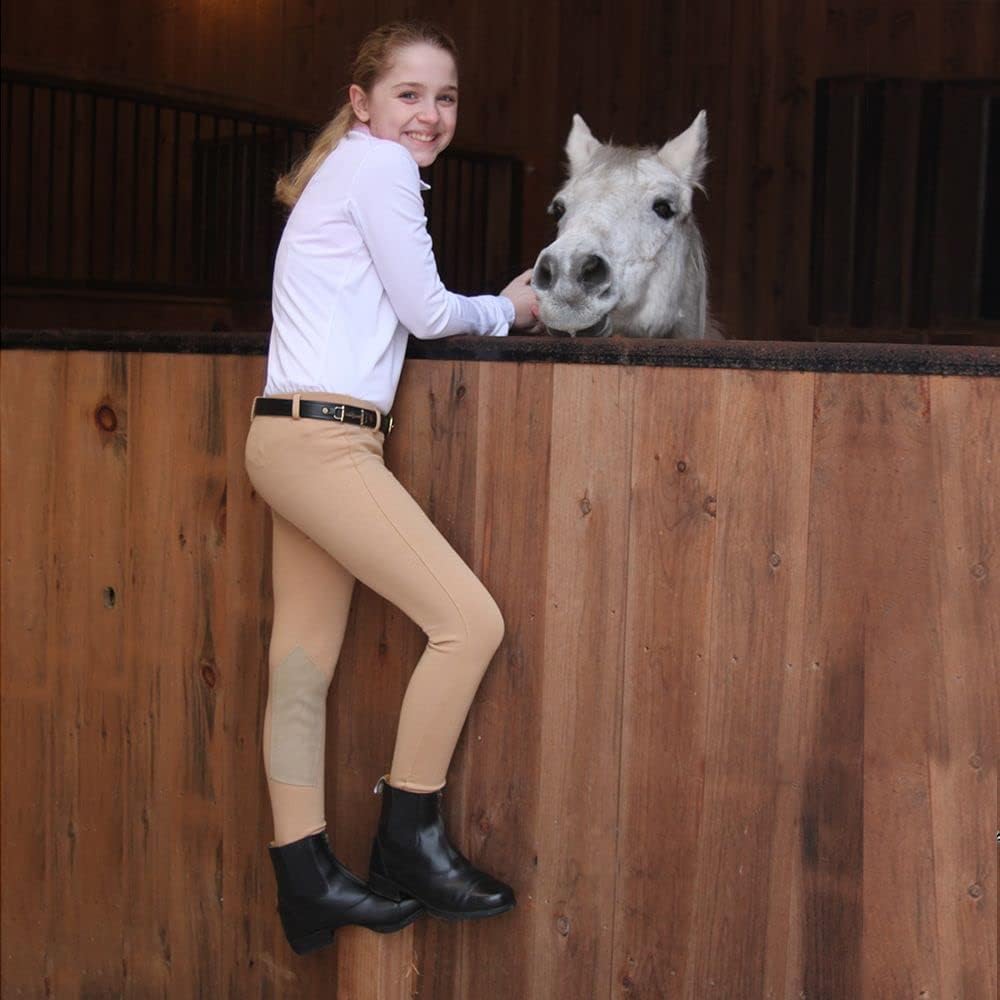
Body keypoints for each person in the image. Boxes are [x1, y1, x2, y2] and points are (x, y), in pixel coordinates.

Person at [243, 20, 539, 956]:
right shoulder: (378, 169)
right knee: (470, 622)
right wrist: (514, 307)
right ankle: (408, 837)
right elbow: (429, 310)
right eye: (409, 94)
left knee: (302, 666)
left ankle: (305, 879)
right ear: (361, 102)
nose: (431, 114)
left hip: (291, 435)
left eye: (446, 97)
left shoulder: (348, 171)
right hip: (325, 444)